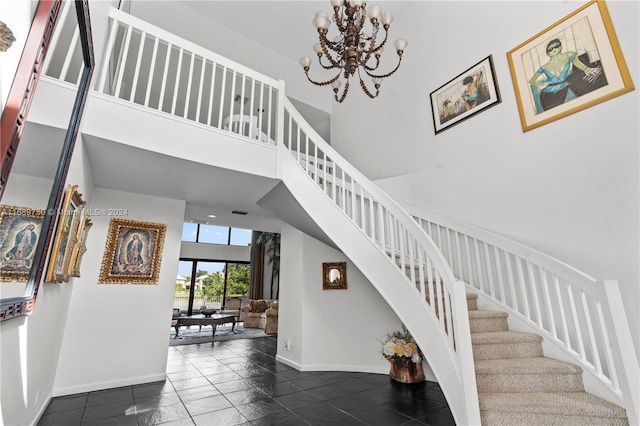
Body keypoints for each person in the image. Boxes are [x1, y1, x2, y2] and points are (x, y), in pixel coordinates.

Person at [529, 38, 603, 111]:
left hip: (562, 90)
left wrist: (586, 69)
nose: (554, 49)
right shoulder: (544, 67)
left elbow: (578, 64)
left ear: (560, 47)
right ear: (547, 53)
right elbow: (532, 81)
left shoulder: (568, 55)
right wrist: (541, 86)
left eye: (556, 46)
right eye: (550, 49)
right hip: (548, 94)